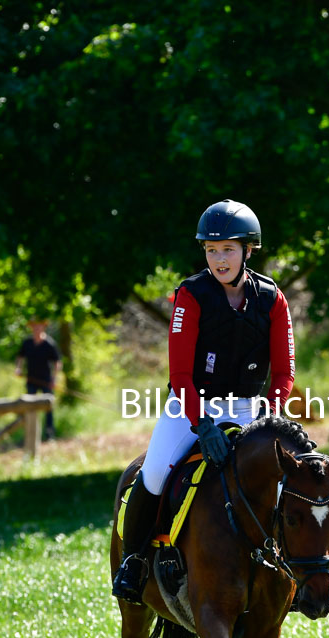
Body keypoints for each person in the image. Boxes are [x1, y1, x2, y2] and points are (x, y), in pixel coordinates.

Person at [112, 199, 295, 604]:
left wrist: (272, 416)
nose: (219, 259)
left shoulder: (272, 298)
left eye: (228, 249)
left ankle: (295, 573)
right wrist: (204, 426)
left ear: (249, 250)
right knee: (156, 472)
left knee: (290, 482)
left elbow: (283, 374)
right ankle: (135, 561)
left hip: (250, 410)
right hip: (190, 406)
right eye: (211, 250)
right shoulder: (191, 296)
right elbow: (180, 376)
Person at [15, 319, 62, 440]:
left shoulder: (49, 344)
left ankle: (49, 433)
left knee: (48, 407)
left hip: (46, 381)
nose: (36, 329)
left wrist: (54, 379)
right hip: (31, 380)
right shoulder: (27, 343)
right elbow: (20, 357)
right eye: (34, 327)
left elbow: (57, 362)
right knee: (29, 407)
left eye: (39, 327)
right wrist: (18, 369)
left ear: (43, 328)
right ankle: (29, 434)